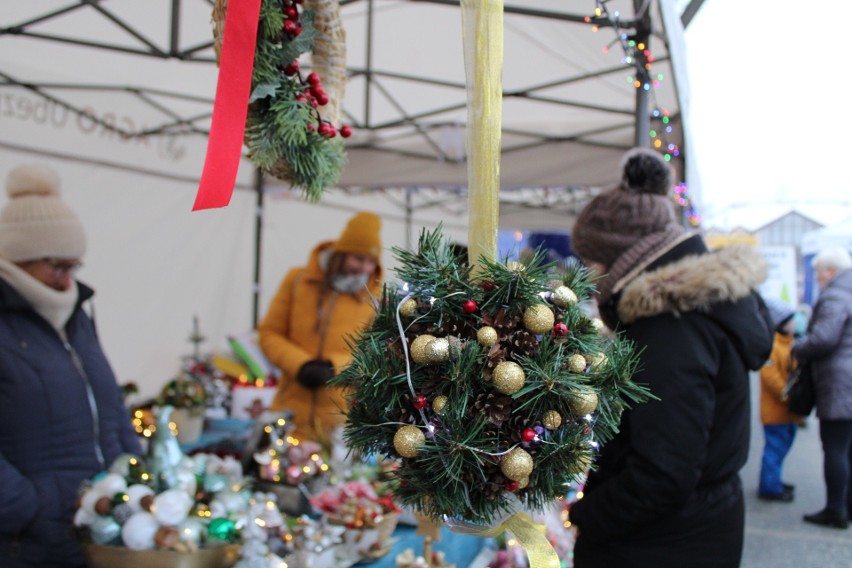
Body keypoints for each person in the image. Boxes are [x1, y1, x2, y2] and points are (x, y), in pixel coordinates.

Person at [566, 147, 774, 567]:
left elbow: (662, 473)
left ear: (624, 258)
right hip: (696, 528)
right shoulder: (694, 311)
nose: (589, 276)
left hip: (660, 543)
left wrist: (586, 514)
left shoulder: (668, 325)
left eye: (592, 260)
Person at [0, 164, 142, 567]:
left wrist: (133, 470)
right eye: (56, 267)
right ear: (18, 260)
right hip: (29, 540)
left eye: (73, 267)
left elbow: (109, 406)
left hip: (94, 528)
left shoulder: (75, 317)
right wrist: (25, 507)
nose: (66, 282)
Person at [258, 211, 383, 443]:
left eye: (370, 261)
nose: (364, 268)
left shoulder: (376, 299)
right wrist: (300, 364)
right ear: (340, 254)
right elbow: (269, 333)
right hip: (288, 415)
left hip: (338, 423)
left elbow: (377, 355)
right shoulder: (298, 280)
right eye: (357, 258)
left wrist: (334, 368)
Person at [792, 246, 852, 529]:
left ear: (830, 271)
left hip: (840, 383)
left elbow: (824, 338)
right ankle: (846, 505)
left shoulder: (836, 295)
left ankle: (835, 510)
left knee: (835, 447)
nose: (816, 279)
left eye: (817, 273)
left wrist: (798, 348)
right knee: (847, 447)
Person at [757, 298, 800, 502]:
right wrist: (787, 392)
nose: (796, 323)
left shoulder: (790, 343)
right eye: (792, 320)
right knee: (774, 449)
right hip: (776, 411)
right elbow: (770, 375)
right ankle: (770, 487)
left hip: (788, 411)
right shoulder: (773, 345)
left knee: (782, 448)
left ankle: (774, 480)